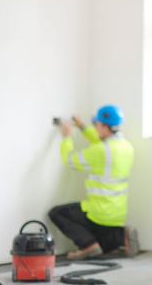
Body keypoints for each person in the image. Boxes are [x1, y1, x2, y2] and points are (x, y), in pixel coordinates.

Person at [49, 105, 137, 260]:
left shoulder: (101, 151)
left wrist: (67, 137)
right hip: (118, 214)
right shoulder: (126, 146)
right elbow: (99, 140)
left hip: (99, 212)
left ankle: (88, 246)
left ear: (104, 126)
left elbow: (70, 161)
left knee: (57, 213)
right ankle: (121, 238)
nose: (94, 128)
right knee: (105, 244)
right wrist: (82, 126)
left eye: (96, 125)